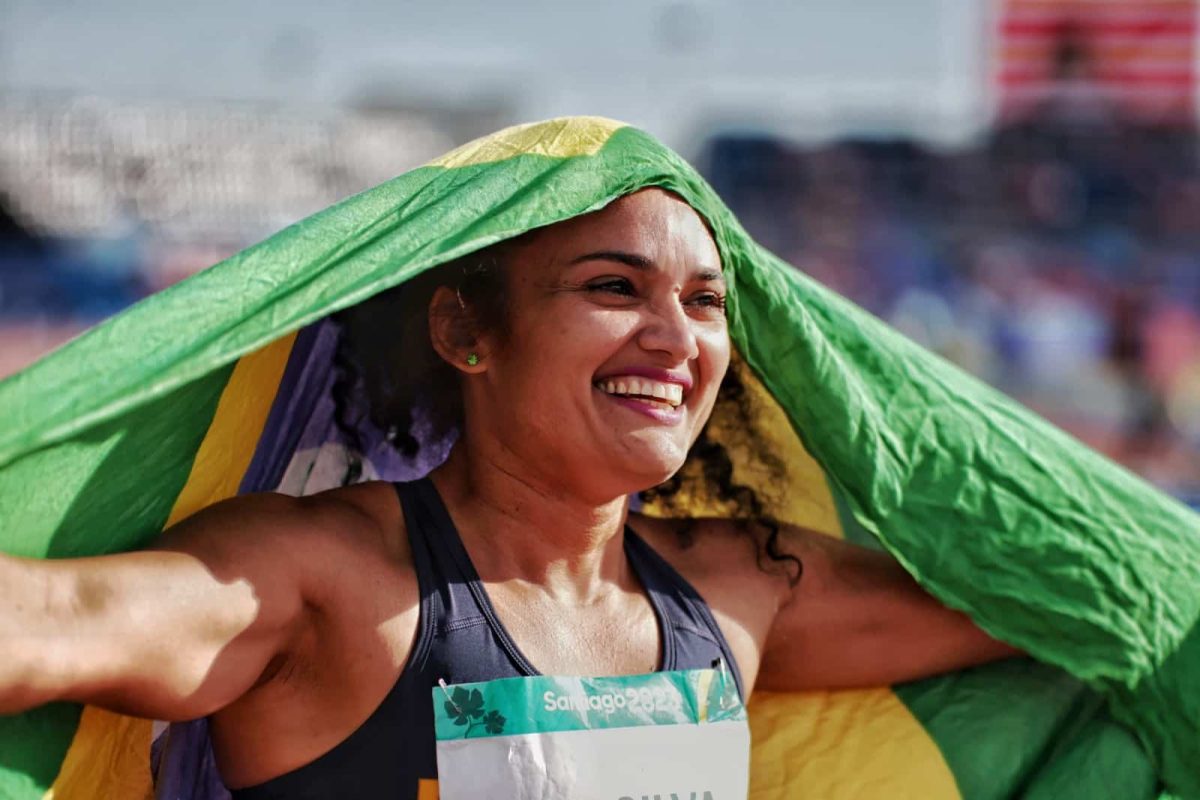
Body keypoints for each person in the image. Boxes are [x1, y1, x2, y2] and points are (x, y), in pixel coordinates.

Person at [0, 188, 1018, 798]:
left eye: (705, 300)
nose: (676, 336)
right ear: (463, 332)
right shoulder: (331, 580)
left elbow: (1058, 601)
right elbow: (48, 622)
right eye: (613, 287)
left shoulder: (746, 588)